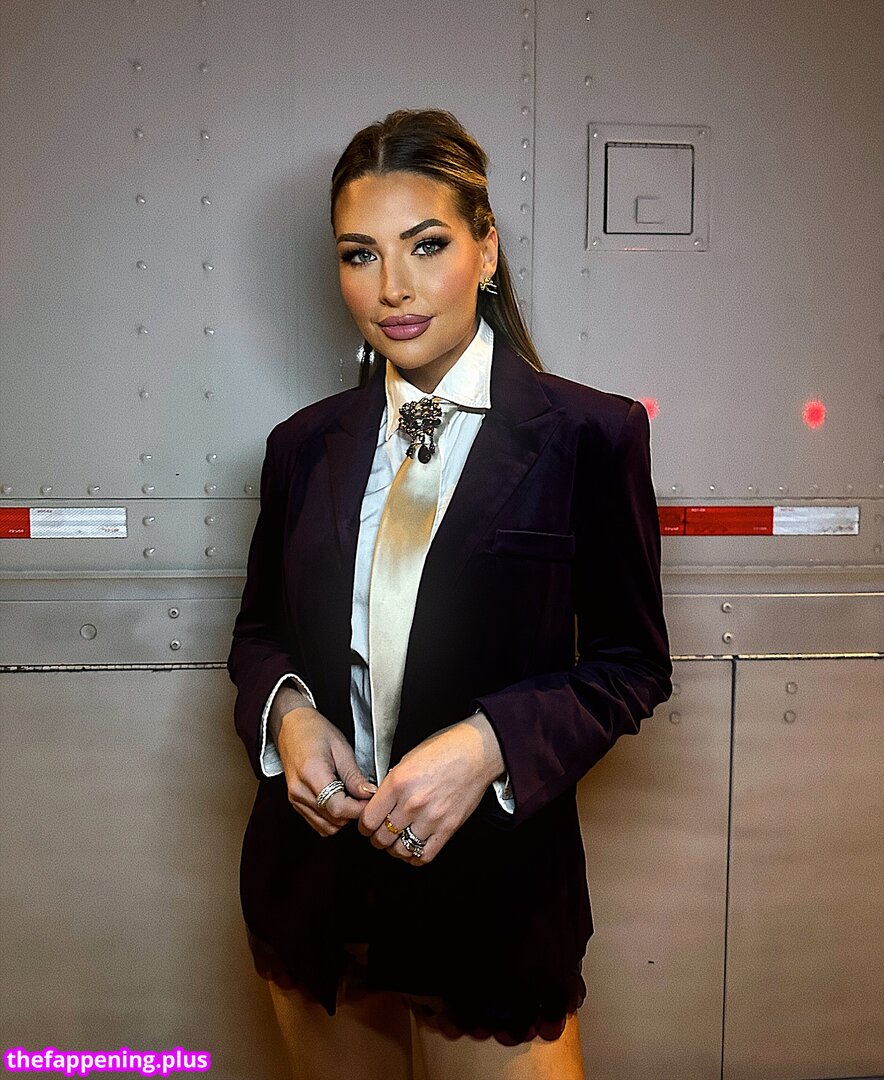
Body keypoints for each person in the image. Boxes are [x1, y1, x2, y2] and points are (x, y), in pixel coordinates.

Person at [227, 108, 672, 1080]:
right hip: (313, 894)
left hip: (494, 902)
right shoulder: (300, 446)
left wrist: (487, 744)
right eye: (360, 254)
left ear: (485, 250)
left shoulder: (590, 436)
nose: (391, 286)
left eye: (425, 245)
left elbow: (631, 666)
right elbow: (258, 633)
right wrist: (287, 717)